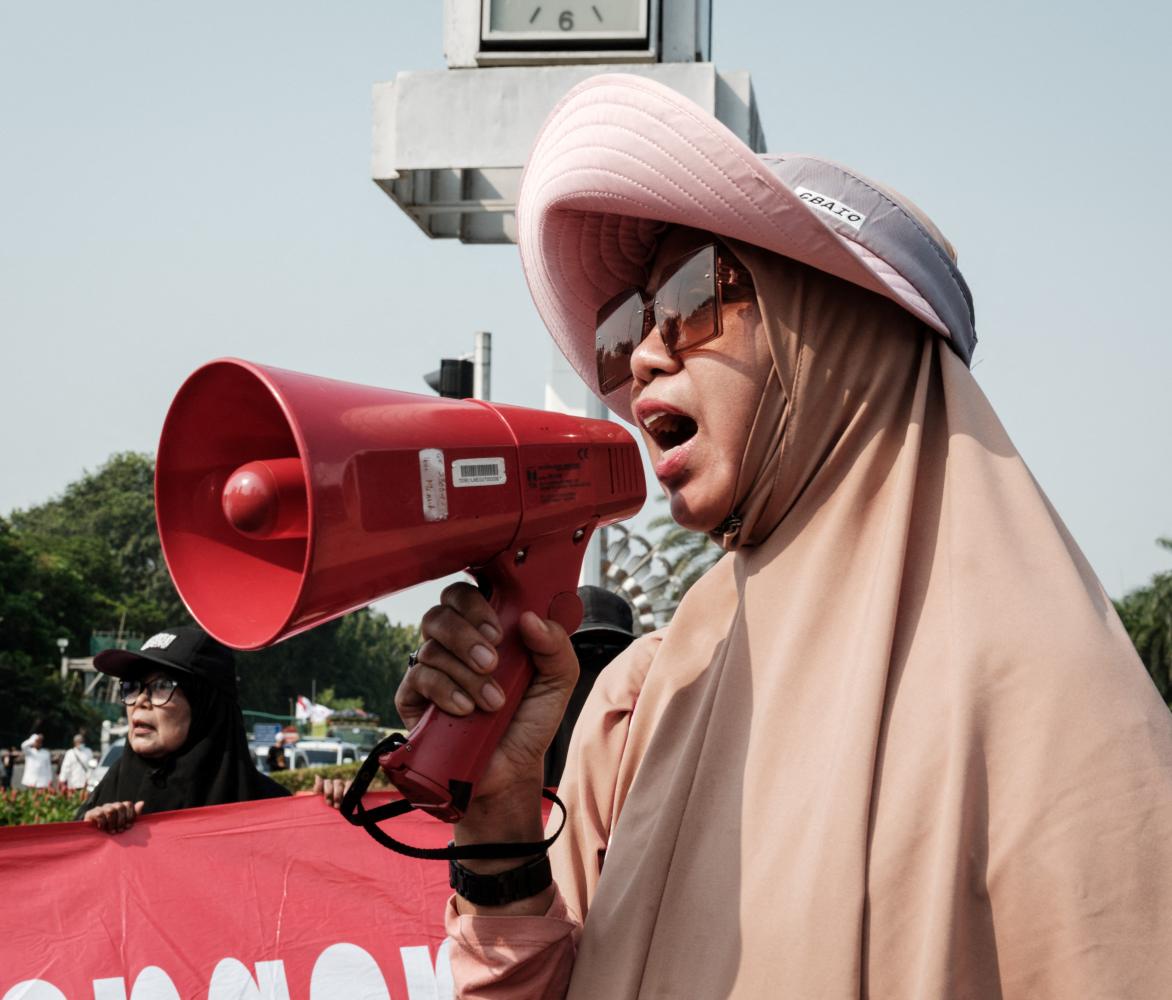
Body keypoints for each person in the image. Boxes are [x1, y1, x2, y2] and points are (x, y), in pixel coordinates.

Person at [395, 75, 1172, 997]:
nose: (644, 353)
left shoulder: (1044, 700)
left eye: (692, 294)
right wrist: (500, 824)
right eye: (630, 325)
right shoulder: (642, 700)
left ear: (837, 340)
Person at [77, 625, 289, 833]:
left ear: (206, 707)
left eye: (161, 686)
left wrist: (320, 819)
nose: (140, 700)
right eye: (132, 685)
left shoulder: (276, 812)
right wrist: (88, 834)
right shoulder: (110, 791)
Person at [544, 586, 636, 787]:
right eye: (583, 649)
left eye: (612, 650)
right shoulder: (532, 717)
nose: (598, 658)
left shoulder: (650, 710)